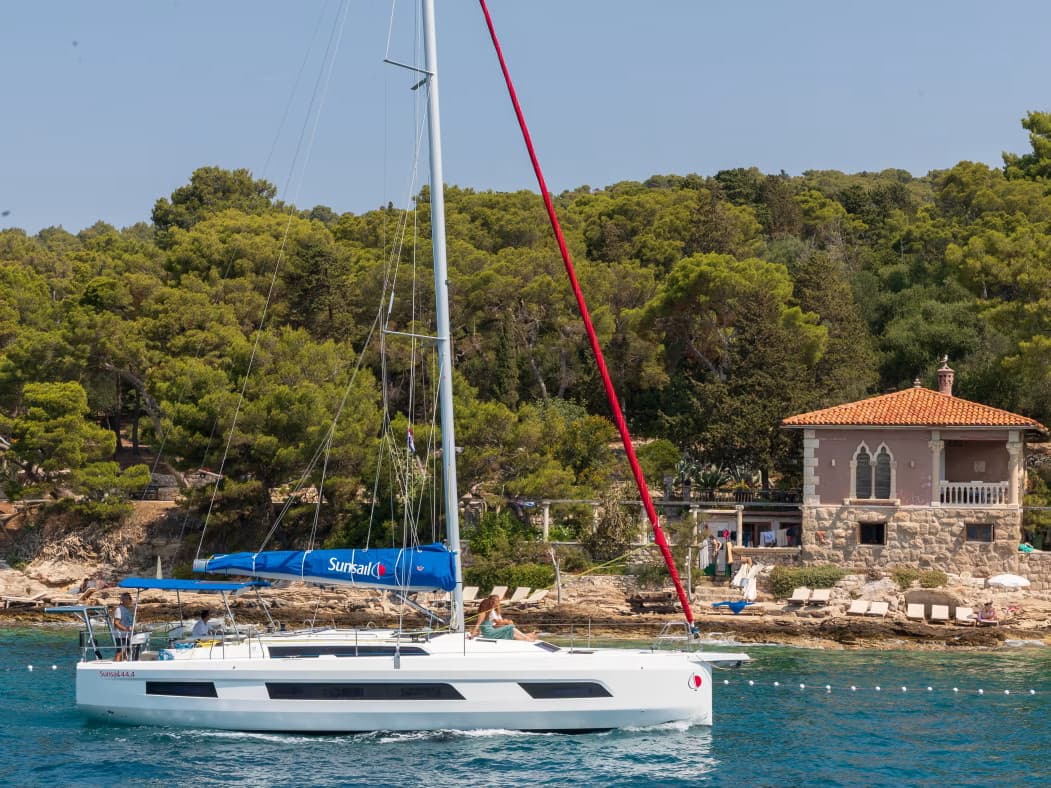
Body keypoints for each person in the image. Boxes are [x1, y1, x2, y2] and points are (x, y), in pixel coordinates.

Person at [470, 595, 537, 641]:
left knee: (510, 630)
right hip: (490, 634)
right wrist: (472, 635)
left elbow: (482, 626)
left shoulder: (487, 613)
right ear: (486, 605)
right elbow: (478, 625)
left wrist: (477, 633)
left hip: (490, 633)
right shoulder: (483, 614)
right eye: (490, 604)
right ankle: (527, 638)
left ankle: (525, 639)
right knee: (510, 626)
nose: (492, 605)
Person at [112, 592, 134, 661]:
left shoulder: (128, 610)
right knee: (120, 651)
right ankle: (116, 666)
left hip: (127, 634)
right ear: (123, 600)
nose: (130, 600)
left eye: (130, 598)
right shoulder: (119, 609)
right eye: (128, 598)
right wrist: (125, 629)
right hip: (120, 634)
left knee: (128, 650)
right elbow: (116, 623)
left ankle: (123, 662)